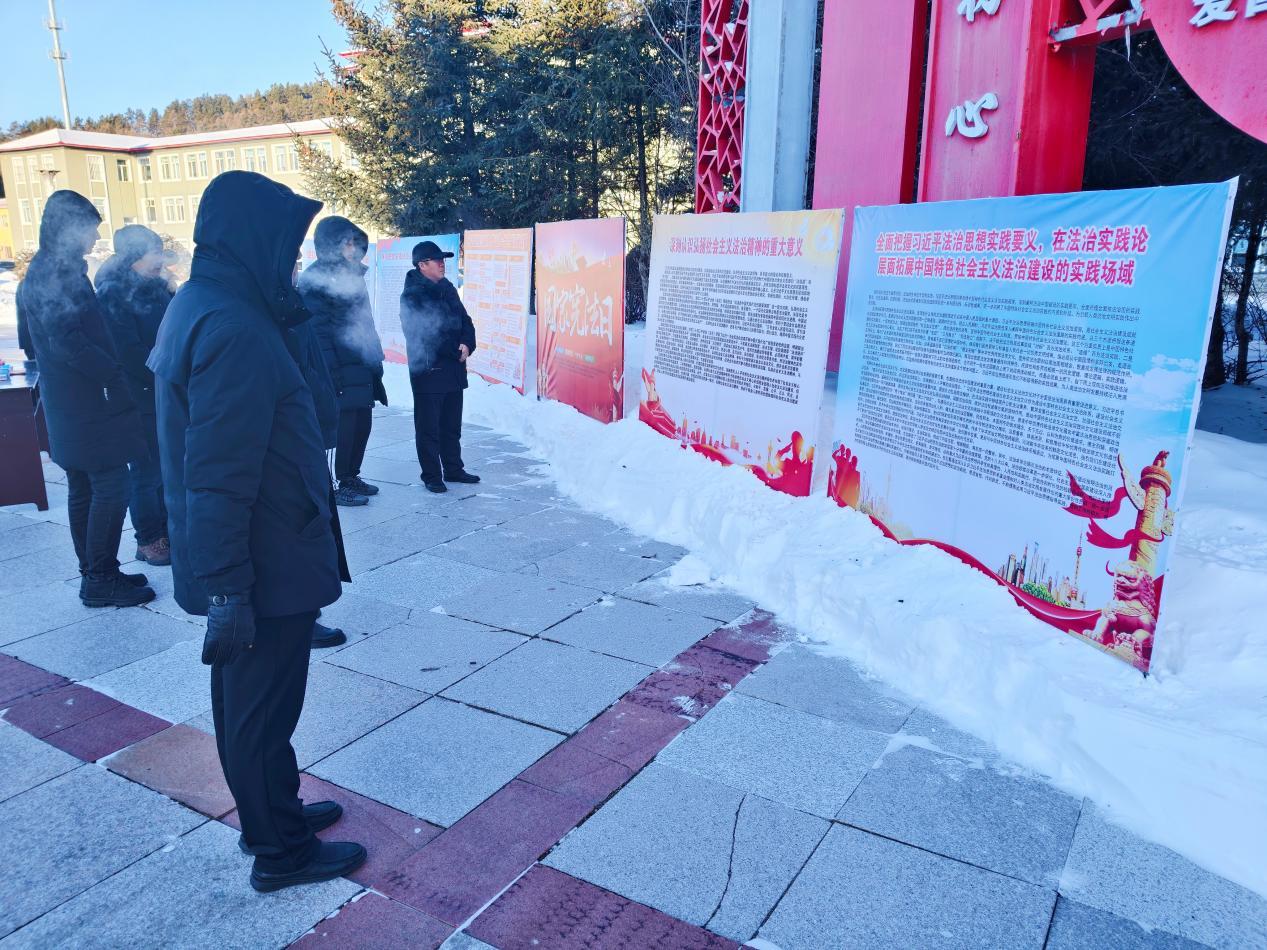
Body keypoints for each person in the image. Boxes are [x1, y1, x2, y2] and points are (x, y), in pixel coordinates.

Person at [147, 170, 365, 892]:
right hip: (259, 559)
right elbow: (216, 473)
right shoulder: (233, 326)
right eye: (285, 244)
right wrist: (227, 591)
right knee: (258, 710)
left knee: (258, 707)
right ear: (251, 239)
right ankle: (279, 850)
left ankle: (276, 812)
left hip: (264, 545)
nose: (293, 258)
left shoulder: (215, 302)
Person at [15, 191, 155, 608]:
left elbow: (46, 340)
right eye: (91, 228)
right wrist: (111, 373)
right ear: (69, 228)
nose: (95, 237)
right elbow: (66, 340)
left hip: (70, 401)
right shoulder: (55, 272)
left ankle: (97, 571)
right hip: (87, 403)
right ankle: (99, 578)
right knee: (111, 486)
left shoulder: (50, 268)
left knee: (84, 488)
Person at [95, 225, 174, 567]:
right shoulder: (112, 292)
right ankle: (148, 539)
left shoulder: (157, 286)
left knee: (167, 467)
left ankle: (169, 530)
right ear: (133, 257)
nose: (160, 260)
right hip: (138, 394)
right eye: (153, 253)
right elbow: (127, 351)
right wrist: (165, 371)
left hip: (164, 387)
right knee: (147, 471)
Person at [297, 217, 387, 507]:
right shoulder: (315, 280)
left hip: (360, 364)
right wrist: (329, 374)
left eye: (355, 242)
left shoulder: (353, 277)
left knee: (361, 426)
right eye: (347, 243)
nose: (353, 248)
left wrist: (375, 358)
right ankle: (333, 485)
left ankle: (350, 476)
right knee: (340, 429)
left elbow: (365, 322)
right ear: (331, 245)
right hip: (336, 368)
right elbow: (318, 333)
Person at [399, 239, 479, 493]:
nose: (442, 264)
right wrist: (455, 350)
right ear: (422, 265)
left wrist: (467, 343)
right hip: (429, 371)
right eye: (437, 260)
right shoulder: (412, 294)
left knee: (451, 426)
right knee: (429, 428)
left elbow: (465, 320)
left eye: (443, 259)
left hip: (453, 369)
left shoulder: (448, 288)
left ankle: (453, 469)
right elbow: (420, 333)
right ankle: (432, 475)